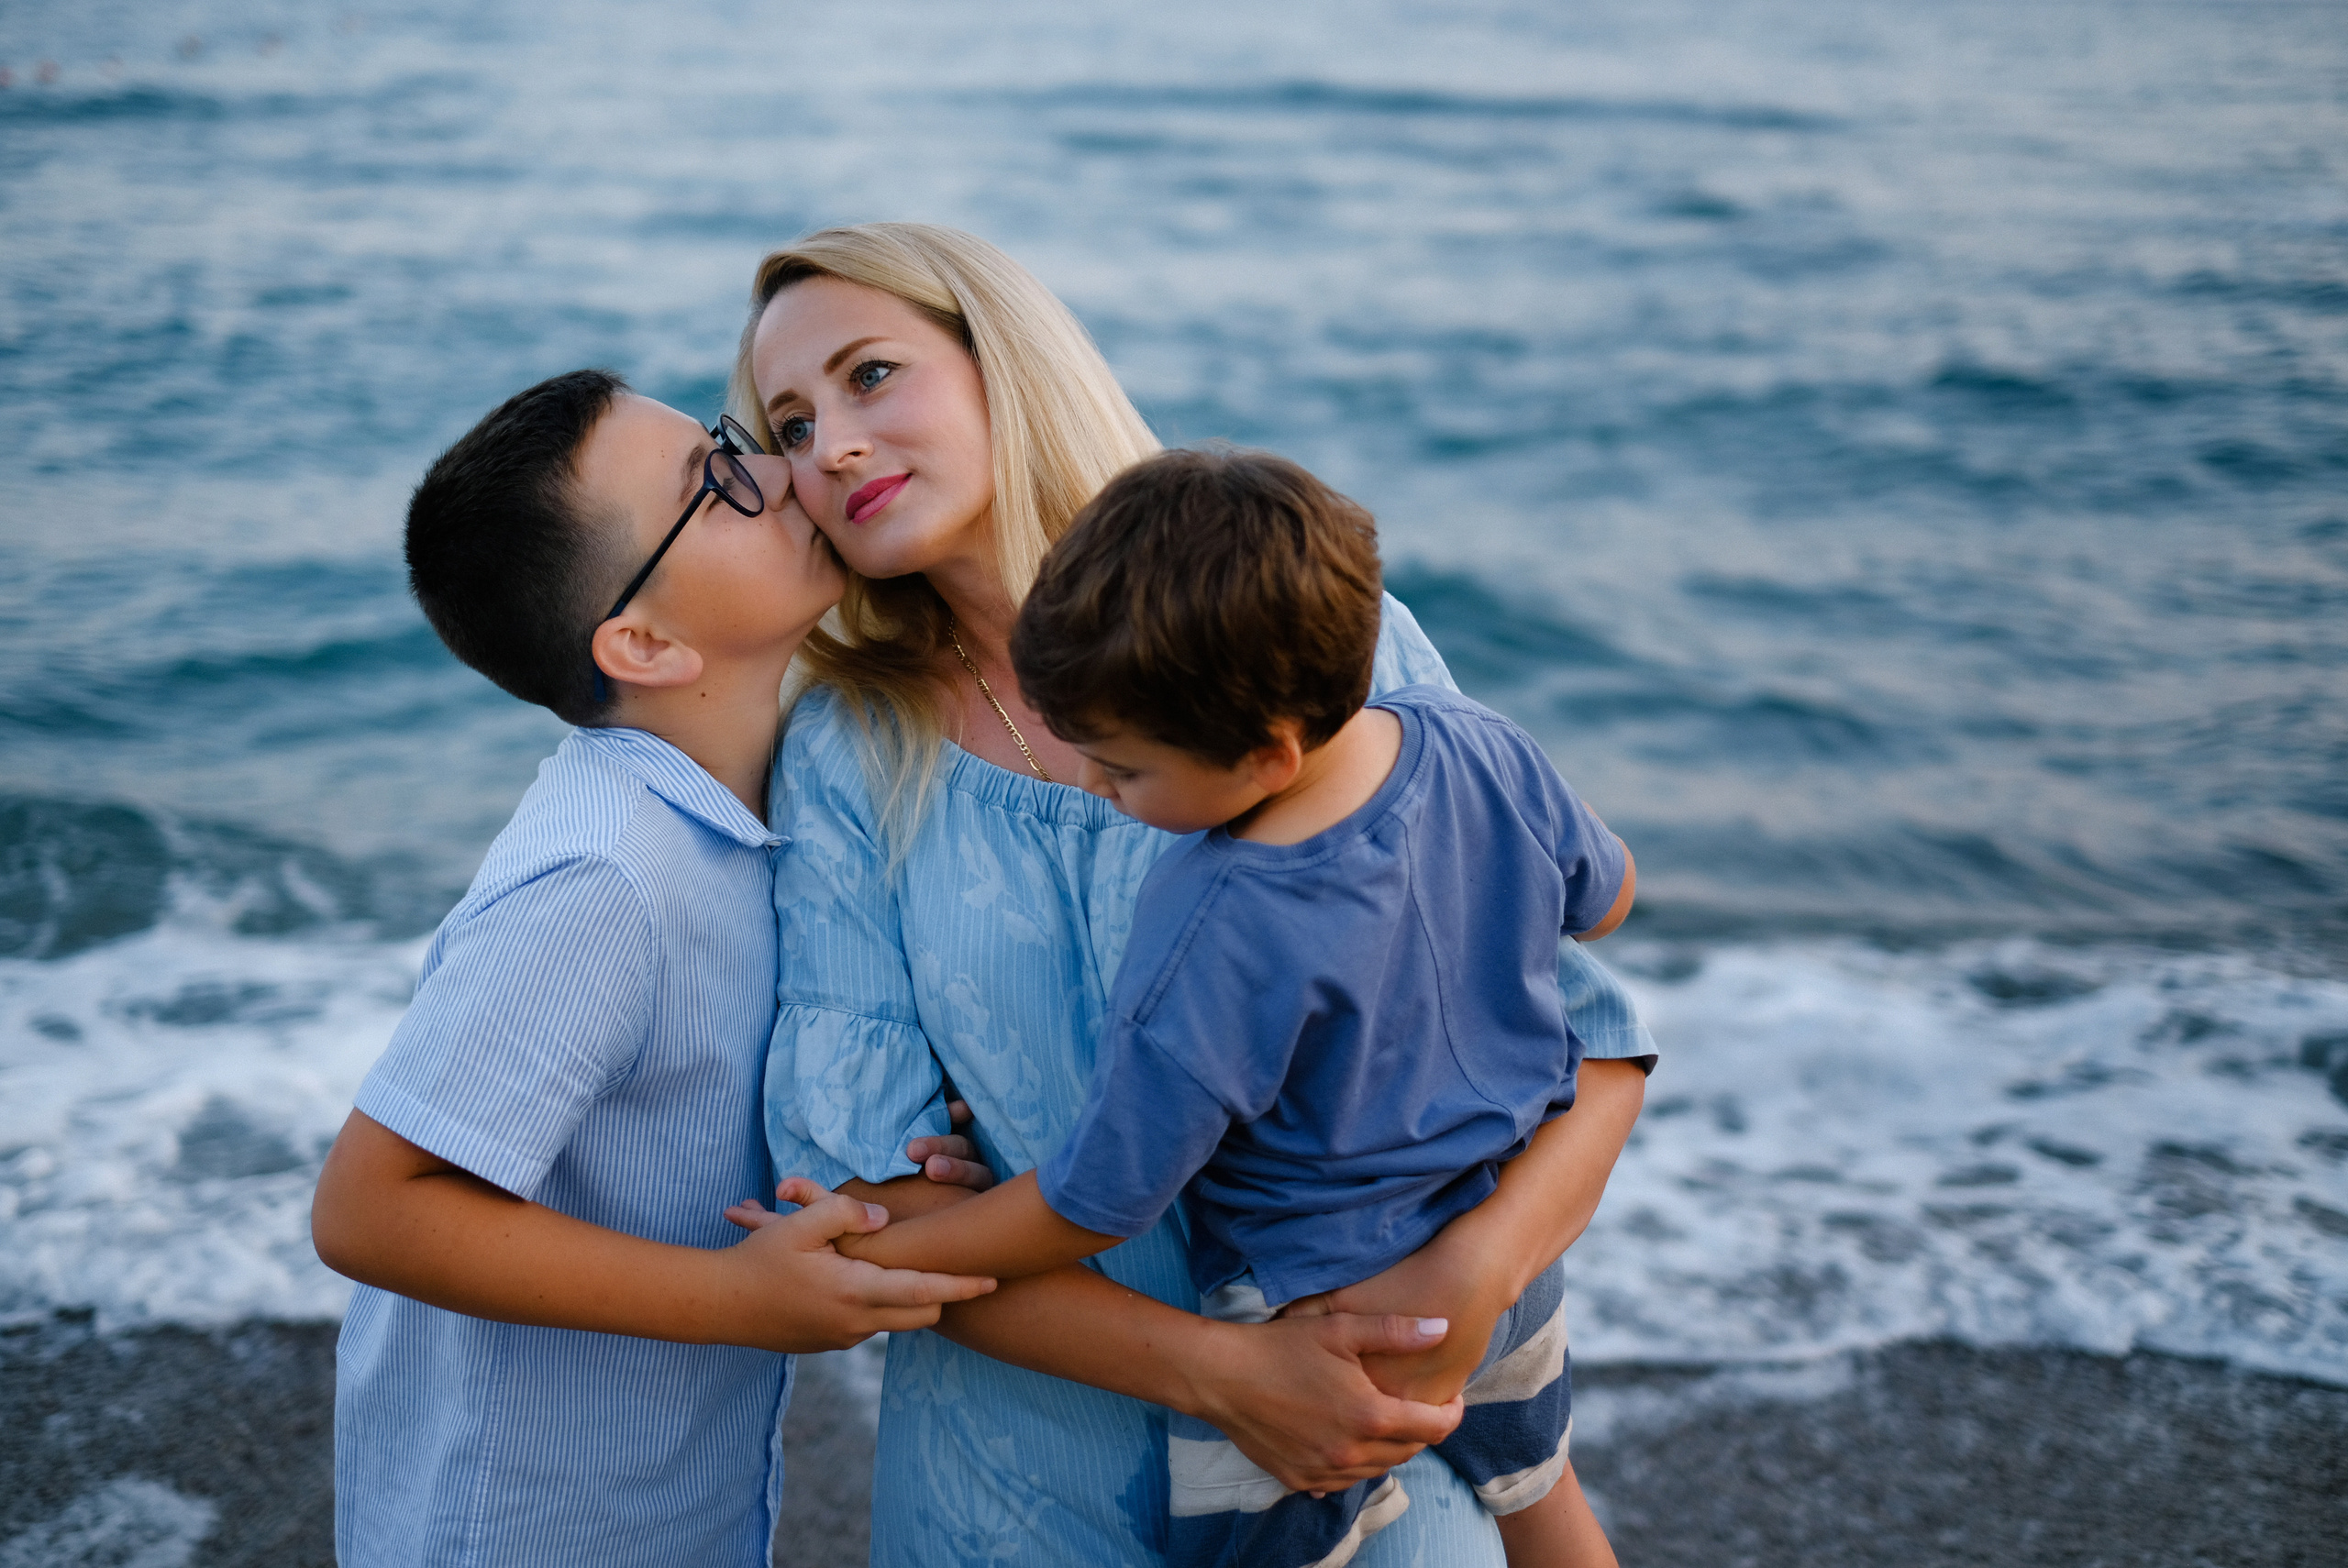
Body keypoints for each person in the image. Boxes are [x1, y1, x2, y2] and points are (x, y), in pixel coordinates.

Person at [728, 223, 1657, 1566]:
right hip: (1016, 1485)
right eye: (792, 425)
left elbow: (1588, 1034)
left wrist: (1480, 1274)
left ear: (1007, 360)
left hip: (1373, 1435)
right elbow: (861, 1221)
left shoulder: (1299, 629)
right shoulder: (842, 748)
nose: (834, 449)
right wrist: (1224, 1373)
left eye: (871, 376)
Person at [309, 369, 995, 1568]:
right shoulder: (602, 873)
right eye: (720, 481)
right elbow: (370, 1208)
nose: (787, 469)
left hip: (671, 1497)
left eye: (731, 441)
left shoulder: (764, 803)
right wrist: (740, 1298)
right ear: (642, 640)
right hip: (515, 1521)